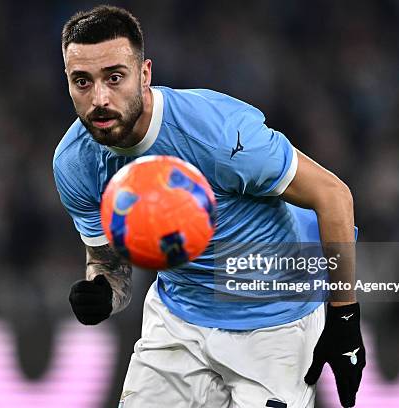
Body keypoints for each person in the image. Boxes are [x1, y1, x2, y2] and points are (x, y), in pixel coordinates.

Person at [53, 6, 365, 408]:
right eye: (82, 81)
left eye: (115, 77)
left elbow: (333, 195)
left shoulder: (219, 135)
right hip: (178, 320)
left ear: (144, 74)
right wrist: (101, 291)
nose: (99, 99)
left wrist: (344, 316)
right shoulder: (75, 162)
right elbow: (109, 266)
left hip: (274, 324)